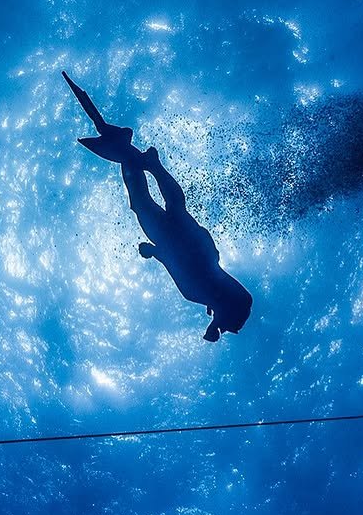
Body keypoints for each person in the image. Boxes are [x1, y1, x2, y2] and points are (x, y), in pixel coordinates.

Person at [63, 71, 253, 341]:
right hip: (196, 248)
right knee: (176, 207)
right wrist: (219, 323)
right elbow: (238, 301)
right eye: (228, 326)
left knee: (141, 205)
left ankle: (125, 152)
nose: (222, 328)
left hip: (169, 243)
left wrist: (153, 252)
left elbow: (172, 266)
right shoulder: (236, 300)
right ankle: (151, 164)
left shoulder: (194, 294)